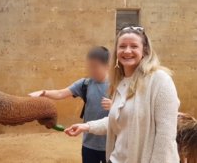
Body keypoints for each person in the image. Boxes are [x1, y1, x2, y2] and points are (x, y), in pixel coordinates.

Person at [64, 26, 180, 163]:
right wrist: (87, 127)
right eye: (122, 46)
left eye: (134, 46)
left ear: (145, 50)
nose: (127, 51)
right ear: (116, 52)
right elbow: (119, 120)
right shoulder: (120, 83)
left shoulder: (160, 80)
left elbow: (165, 135)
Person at [29, 46, 112, 163]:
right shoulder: (85, 84)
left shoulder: (117, 85)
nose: (91, 70)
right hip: (89, 144)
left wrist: (114, 105)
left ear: (107, 66)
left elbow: (127, 111)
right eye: (90, 66)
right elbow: (61, 93)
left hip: (110, 145)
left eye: (95, 67)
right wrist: (44, 92)